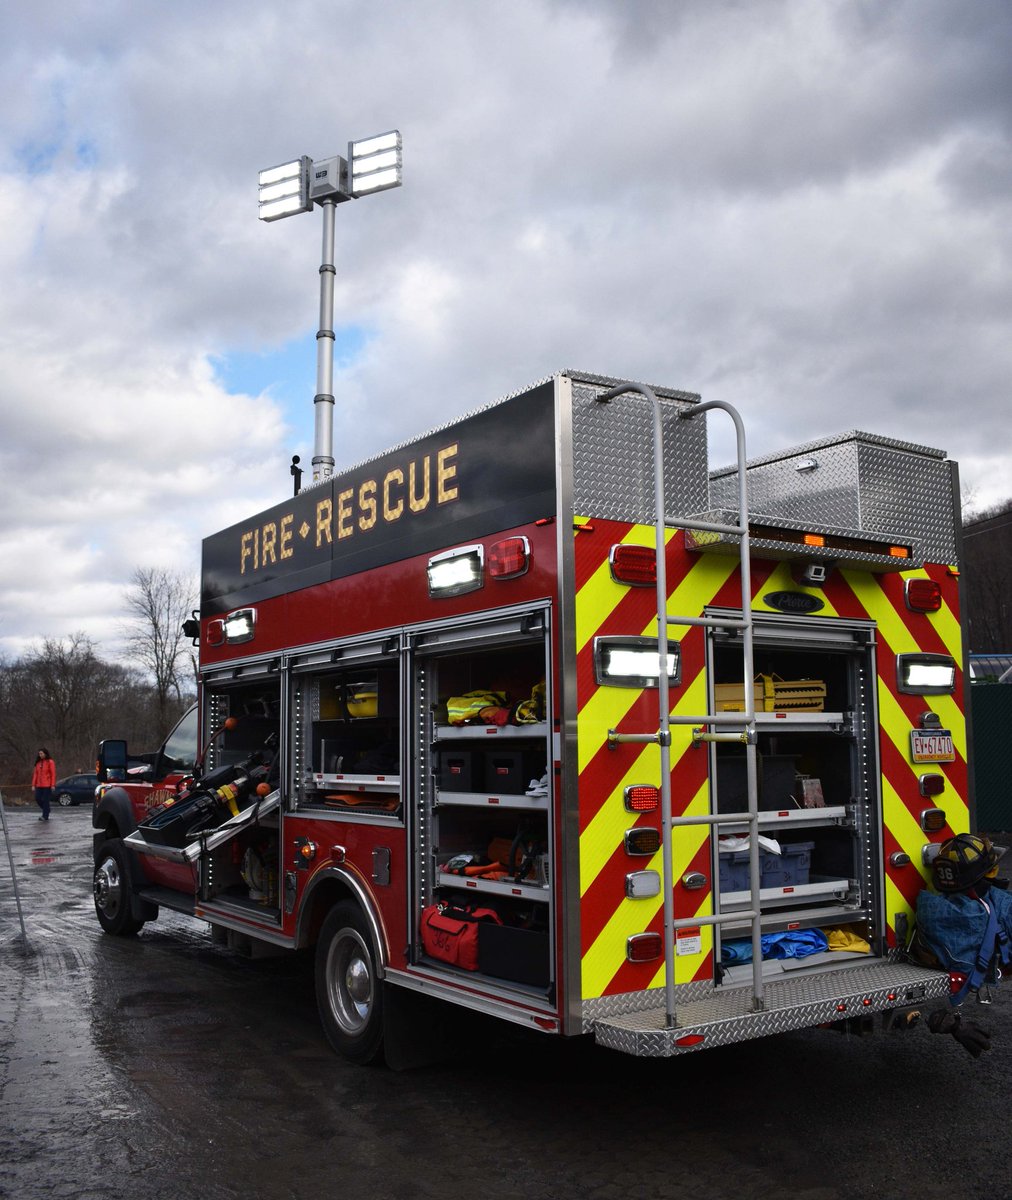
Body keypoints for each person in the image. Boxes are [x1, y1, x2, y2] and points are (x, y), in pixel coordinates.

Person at [32, 748, 56, 822]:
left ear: (45, 753)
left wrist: (52, 785)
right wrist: (33, 785)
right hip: (39, 785)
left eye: (41, 753)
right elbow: (35, 774)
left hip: (47, 785)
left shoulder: (50, 762)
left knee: (46, 801)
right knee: (37, 798)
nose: (40, 755)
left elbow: (53, 774)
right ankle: (47, 809)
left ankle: (45, 816)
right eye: (39, 754)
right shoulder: (38, 763)